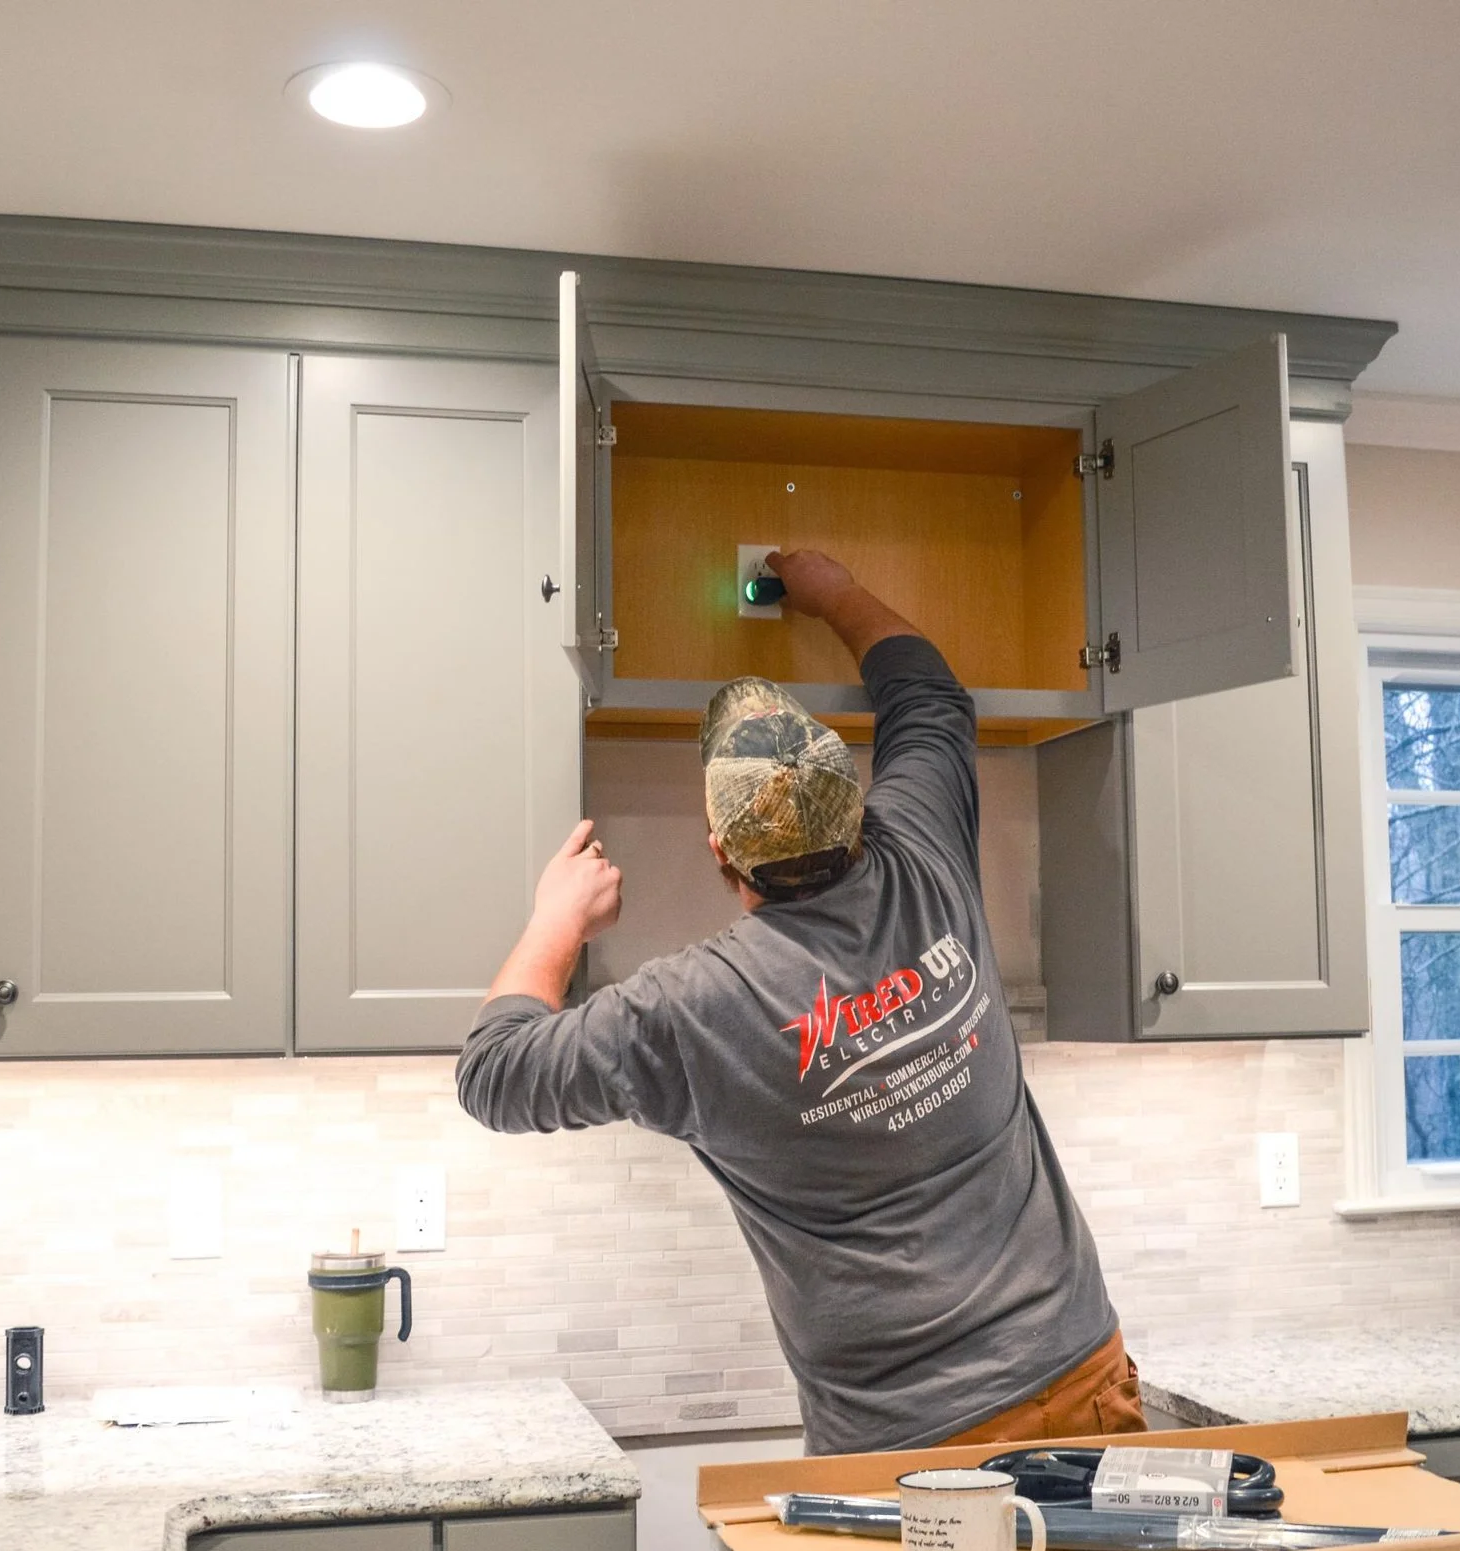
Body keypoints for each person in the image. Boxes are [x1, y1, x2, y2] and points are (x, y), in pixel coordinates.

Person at [456, 549, 1142, 1456]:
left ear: (719, 852)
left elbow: (495, 1073)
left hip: (901, 1456)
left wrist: (558, 918)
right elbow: (931, 698)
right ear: (858, 811)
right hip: (1080, 1383)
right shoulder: (925, 855)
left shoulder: (695, 1009)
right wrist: (837, 596)